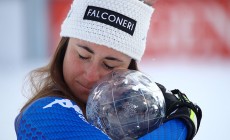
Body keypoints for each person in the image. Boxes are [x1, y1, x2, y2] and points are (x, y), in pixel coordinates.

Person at [15, 0, 202, 139]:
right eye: (82, 55)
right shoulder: (42, 113)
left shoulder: (136, 118)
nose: (90, 75)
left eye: (110, 65)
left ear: (129, 67)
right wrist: (182, 121)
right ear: (64, 46)